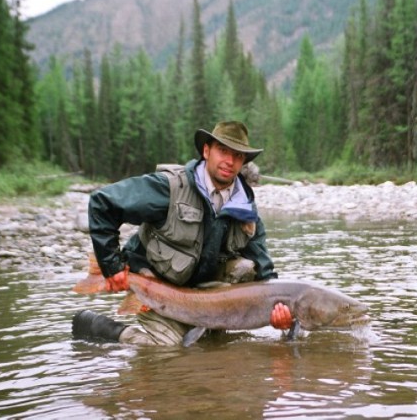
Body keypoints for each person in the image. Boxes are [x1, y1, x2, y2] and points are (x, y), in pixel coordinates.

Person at [72, 121, 292, 345]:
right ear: (206, 151)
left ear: (243, 162)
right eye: (223, 151)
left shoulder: (246, 210)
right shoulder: (169, 187)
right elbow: (102, 203)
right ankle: (101, 327)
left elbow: (265, 274)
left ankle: (205, 329)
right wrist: (112, 266)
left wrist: (280, 310)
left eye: (237, 155)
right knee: (168, 351)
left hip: (205, 299)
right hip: (155, 286)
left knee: (245, 271)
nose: (229, 161)